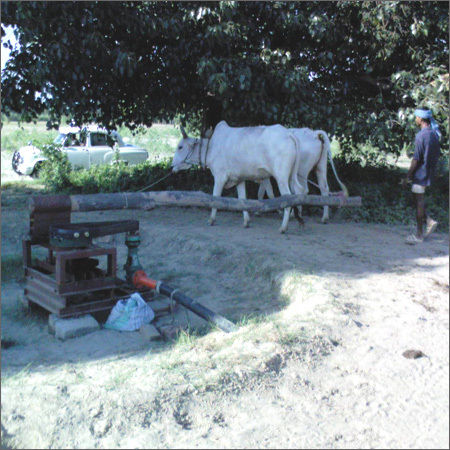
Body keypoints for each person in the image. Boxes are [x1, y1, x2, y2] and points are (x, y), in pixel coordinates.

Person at [402, 107, 441, 245]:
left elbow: (416, 159)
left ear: (420, 118)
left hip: (420, 173)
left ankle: (419, 235)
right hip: (429, 172)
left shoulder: (421, 136)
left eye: (416, 117)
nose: (415, 119)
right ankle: (429, 221)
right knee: (418, 199)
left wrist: (407, 176)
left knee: (418, 202)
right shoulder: (434, 134)